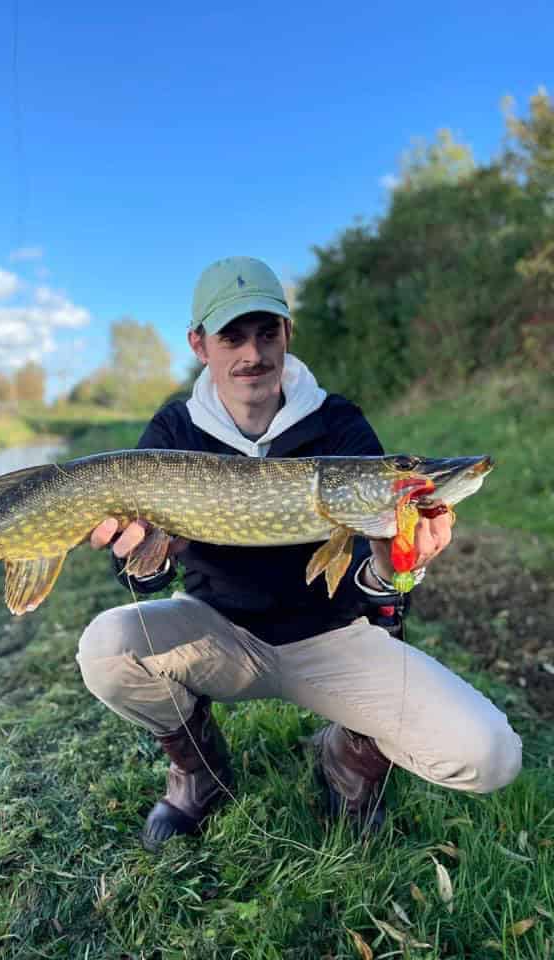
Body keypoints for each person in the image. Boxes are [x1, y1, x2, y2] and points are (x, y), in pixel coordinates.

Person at [76, 256, 522, 852]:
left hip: (331, 640)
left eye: (266, 333)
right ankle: (198, 773)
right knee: (107, 647)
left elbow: (374, 585)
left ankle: (346, 754)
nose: (252, 354)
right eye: (231, 336)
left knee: (491, 755)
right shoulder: (174, 429)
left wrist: (396, 564)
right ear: (199, 345)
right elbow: (139, 574)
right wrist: (148, 553)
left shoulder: (338, 424)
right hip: (219, 634)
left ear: (287, 333)